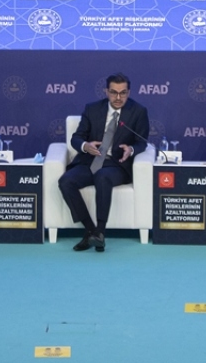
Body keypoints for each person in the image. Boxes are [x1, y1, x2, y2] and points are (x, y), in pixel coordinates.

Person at [58, 73, 149, 253]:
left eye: (123, 93)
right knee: (66, 181)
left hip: (117, 165)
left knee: (102, 177)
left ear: (129, 92)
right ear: (106, 91)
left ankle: (100, 230)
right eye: (114, 92)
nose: (118, 97)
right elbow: (76, 138)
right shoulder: (92, 109)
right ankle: (91, 231)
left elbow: (142, 142)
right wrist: (86, 146)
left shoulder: (138, 111)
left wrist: (131, 149)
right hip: (90, 161)